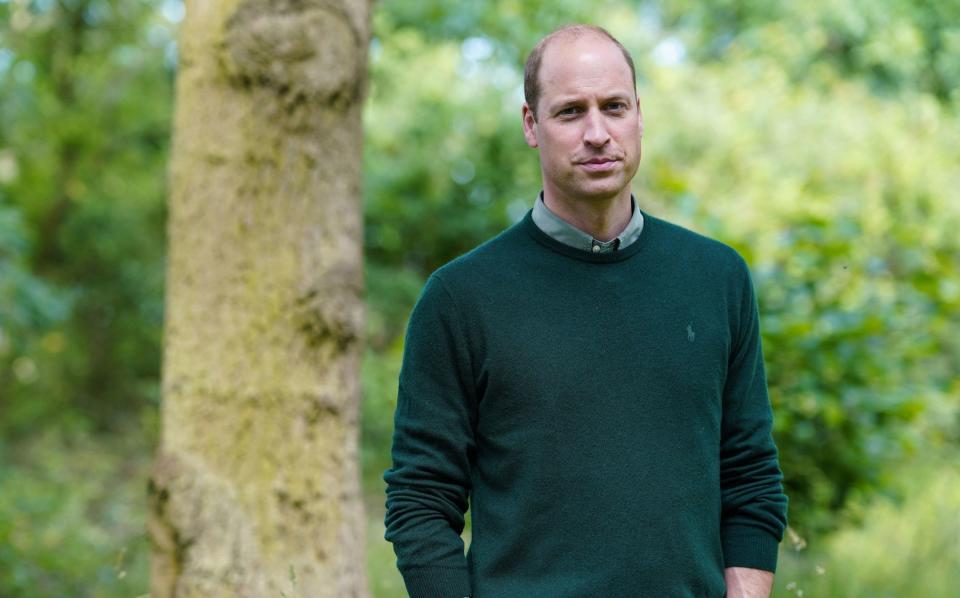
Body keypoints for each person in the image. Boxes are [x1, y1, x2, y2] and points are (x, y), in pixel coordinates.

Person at [383, 24, 788, 598]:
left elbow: (749, 473)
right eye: (570, 112)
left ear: (639, 115)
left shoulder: (716, 278)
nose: (597, 133)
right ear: (531, 124)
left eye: (614, 107)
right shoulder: (460, 298)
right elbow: (420, 499)